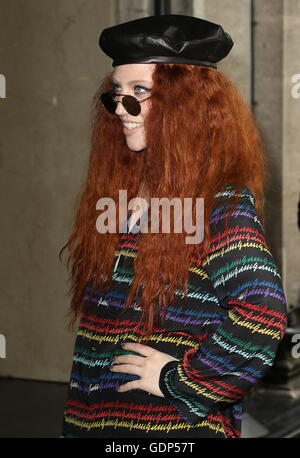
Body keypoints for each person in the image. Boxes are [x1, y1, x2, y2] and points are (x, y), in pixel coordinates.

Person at [60, 15, 287, 438]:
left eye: (140, 92)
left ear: (188, 105)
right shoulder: (122, 192)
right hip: (101, 417)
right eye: (117, 92)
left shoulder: (218, 204)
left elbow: (262, 313)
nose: (121, 110)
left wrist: (179, 380)